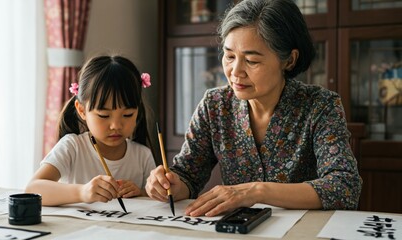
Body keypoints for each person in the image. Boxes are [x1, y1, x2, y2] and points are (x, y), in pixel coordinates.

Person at [145, 0, 362, 217]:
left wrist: (256, 191)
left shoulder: (320, 105)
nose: (235, 72)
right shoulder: (215, 105)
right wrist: (169, 184)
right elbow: (187, 175)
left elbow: (344, 187)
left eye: (251, 61)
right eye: (229, 56)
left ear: (289, 61)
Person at [26, 54, 156, 206]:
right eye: (104, 115)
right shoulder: (72, 147)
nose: (116, 125)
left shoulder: (142, 155)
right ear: (82, 111)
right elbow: (32, 190)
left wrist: (140, 192)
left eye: (127, 115)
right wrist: (82, 192)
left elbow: (156, 199)